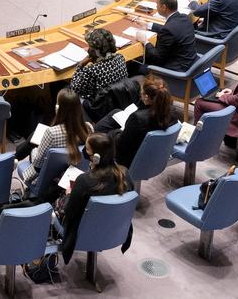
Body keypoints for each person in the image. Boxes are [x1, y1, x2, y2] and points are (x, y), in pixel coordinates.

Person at [58, 132, 133, 264]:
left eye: (87, 149)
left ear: (96, 157)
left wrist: (69, 194)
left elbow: (69, 212)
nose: (84, 152)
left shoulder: (84, 181)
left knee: (58, 200)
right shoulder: (125, 173)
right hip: (115, 227)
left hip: (83, 231)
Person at [99, 75, 179, 167]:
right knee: (115, 112)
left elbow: (121, 145)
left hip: (130, 160)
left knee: (103, 131)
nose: (140, 96)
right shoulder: (172, 111)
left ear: (147, 97)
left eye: (141, 93)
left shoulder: (137, 118)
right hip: (155, 154)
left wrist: (115, 132)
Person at [19, 89, 92, 185]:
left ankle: (15, 158)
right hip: (73, 174)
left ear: (58, 108)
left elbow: (38, 164)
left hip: (48, 178)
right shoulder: (88, 128)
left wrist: (34, 150)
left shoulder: (51, 132)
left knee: (32, 143)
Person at [129, 0, 196, 75]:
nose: (156, 7)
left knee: (131, 64)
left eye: (157, 4)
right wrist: (148, 25)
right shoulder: (184, 18)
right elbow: (172, 30)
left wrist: (145, 41)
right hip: (188, 63)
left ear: (164, 7)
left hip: (174, 71)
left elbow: (157, 59)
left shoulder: (168, 30)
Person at [70, 28, 128, 102]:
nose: (89, 49)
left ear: (97, 51)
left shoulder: (91, 70)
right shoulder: (120, 58)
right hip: (118, 100)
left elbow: (74, 88)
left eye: (90, 47)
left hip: (98, 106)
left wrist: (80, 65)